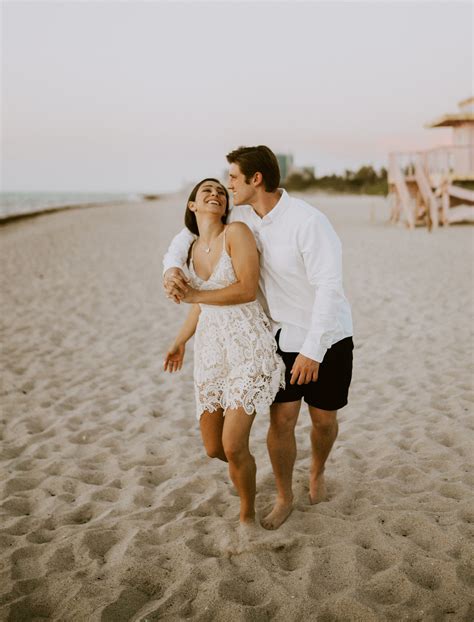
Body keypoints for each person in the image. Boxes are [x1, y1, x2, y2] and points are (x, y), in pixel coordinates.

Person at [163, 146, 354, 530]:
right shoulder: (247, 219)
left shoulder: (307, 221)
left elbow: (330, 289)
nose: (227, 184)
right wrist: (169, 268)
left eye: (232, 177)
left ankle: (317, 470)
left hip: (326, 336)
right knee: (281, 422)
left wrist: (313, 352)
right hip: (278, 336)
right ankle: (285, 496)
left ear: (256, 179)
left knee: (323, 421)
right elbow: (189, 237)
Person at [163, 177, 285, 526]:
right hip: (212, 351)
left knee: (232, 445)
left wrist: (194, 296)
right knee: (214, 448)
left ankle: (247, 516)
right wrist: (180, 340)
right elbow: (199, 305)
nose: (216, 194)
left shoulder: (238, 233)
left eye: (220, 191)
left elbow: (246, 290)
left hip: (249, 345)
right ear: (193, 206)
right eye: (207, 192)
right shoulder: (189, 250)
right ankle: (245, 468)